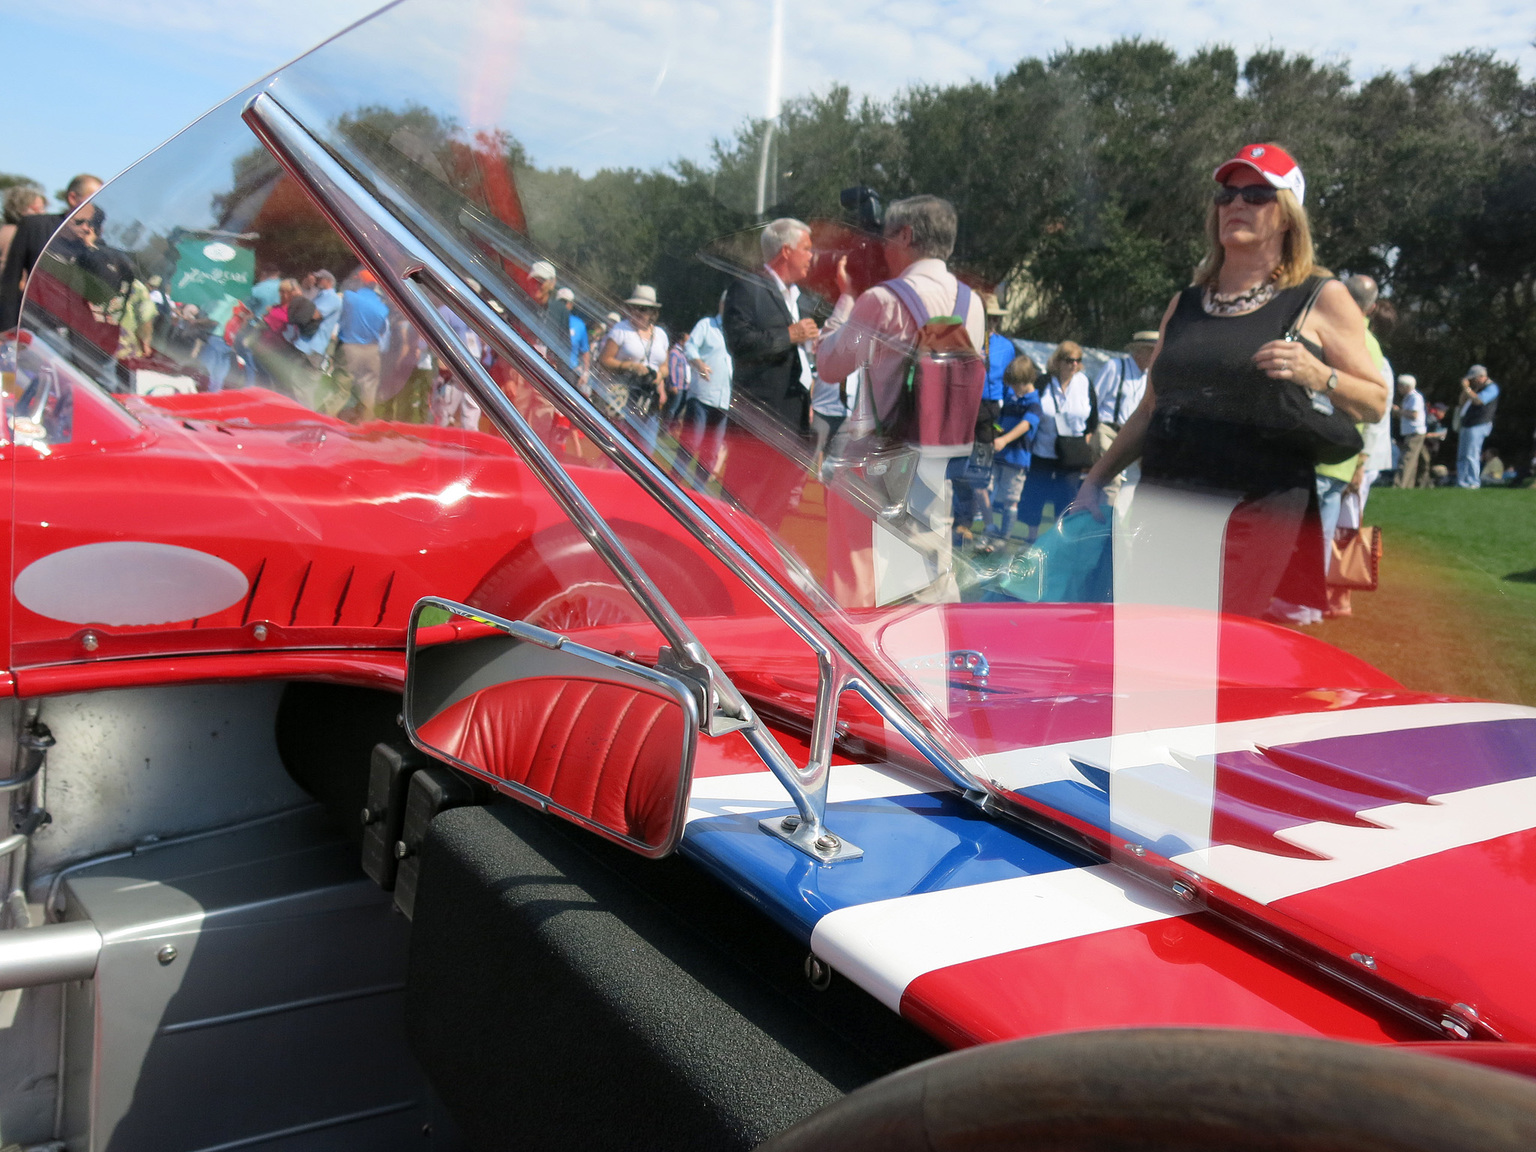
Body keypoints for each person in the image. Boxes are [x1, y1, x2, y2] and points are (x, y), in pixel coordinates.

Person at [1072, 142, 1386, 619]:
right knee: (1150, 639)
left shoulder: (1320, 296)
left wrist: (1319, 374)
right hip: (1167, 500)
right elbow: (1152, 408)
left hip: (1253, 510)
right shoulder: (1186, 303)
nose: (1236, 204)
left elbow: (1376, 402)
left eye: (1256, 194)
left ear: (1286, 216)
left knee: (1214, 650)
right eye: (1226, 195)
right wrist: (1096, 479)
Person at [817, 194, 985, 602]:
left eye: (888, 237)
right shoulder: (972, 304)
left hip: (872, 458)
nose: (883, 248)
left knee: (857, 583)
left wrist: (849, 296)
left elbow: (830, 365)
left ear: (907, 235)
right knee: (926, 583)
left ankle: (855, 660)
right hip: (933, 459)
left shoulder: (883, 300)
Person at [723, 217, 819, 429]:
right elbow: (739, 343)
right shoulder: (747, 288)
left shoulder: (800, 299)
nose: (811, 257)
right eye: (806, 249)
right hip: (761, 419)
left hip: (797, 412)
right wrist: (790, 335)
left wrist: (813, 345)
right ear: (786, 251)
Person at [0, 173, 102, 330]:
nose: (96, 204)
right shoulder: (35, 226)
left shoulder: (95, 243)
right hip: (22, 321)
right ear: (73, 198)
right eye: (92, 197)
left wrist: (91, 248)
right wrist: (6, 328)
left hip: (59, 331)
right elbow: (11, 279)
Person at [1016, 341, 1094, 544]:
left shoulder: (1084, 383)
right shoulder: (1044, 382)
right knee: (1036, 493)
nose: (1074, 365)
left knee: (1067, 496)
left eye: (1078, 360)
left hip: (1071, 451)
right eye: (1069, 360)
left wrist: (1084, 441)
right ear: (1058, 361)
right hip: (1043, 448)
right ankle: (1031, 537)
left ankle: (1059, 539)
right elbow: (1031, 407)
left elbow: (1092, 419)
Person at [1089, 330, 1155, 506]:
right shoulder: (1115, 367)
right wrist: (1091, 430)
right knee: (1112, 482)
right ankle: (1107, 527)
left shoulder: (1148, 377)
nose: (1156, 356)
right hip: (1107, 430)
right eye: (1153, 351)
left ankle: (1110, 522)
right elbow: (1094, 400)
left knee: (1130, 485)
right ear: (1140, 351)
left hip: (1130, 436)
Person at [599, 285, 669, 445]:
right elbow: (604, 360)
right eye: (633, 307)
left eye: (643, 309)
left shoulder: (661, 335)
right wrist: (630, 366)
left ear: (652, 312)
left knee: (646, 451)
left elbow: (665, 367)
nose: (637, 312)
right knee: (619, 449)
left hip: (649, 400)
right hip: (624, 396)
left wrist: (659, 376)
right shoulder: (620, 330)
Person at [987, 356, 1042, 541]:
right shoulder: (1011, 397)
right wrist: (996, 429)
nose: (1012, 388)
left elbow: (1026, 425)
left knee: (1011, 498)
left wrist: (1004, 439)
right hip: (999, 455)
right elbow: (1001, 420)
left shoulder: (1034, 403)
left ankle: (1004, 537)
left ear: (1026, 380)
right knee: (988, 489)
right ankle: (990, 529)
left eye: (1015, 384)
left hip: (1018, 458)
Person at [681, 294, 733, 480]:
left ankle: (698, 494)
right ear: (721, 304)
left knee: (711, 453)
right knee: (690, 444)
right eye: (728, 303)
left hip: (723, 402)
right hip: (702, 396)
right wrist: (699, 364)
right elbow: (690, 347)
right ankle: (671, 485)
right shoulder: (707, 325)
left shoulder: (737, 332)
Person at [331, 269, 391, 420]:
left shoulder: (350, 298)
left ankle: (325, 419)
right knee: (369, 391)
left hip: (349, 348)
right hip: (372, 351)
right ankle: (364, 426)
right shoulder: (382, 308)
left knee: (341, 388)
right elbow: (383, 331)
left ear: (361, 281)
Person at [1455, 364, 1499, 488]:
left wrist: (1467, 389)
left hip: (1479, 424)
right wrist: (1466, 390)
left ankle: (1473, 481)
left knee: (1472, 454)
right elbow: (1461, 401)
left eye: (1473, 378)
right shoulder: (1476, 389)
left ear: (1481, 377)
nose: (1472, 381)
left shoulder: (1492, 388)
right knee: (1462, 455)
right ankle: (1462, 481)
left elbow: (1479, 401)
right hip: (1467, 424)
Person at [293, 269, 342, 370]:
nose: (317, 280)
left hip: (313, 346)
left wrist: (299, 299)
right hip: (306, 342)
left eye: (320, 279)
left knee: (300, 379)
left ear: (328, 281)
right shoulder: (321, 295)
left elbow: (314, 315)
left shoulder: (332, 298)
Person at [0, 184, 47, 279]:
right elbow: (8, 267)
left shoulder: (6, 229)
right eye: (37, 209)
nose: (43, 213)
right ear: (21, 208)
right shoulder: (15, 233)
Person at [1393, 375, 1427, 488]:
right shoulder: (1408, 398)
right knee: (1422, 460)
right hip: (1411, 432)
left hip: (1415, 432)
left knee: (1407, 458)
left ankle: (1399, 485)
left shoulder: (1415, 397)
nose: (1398, 388)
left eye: (1400, 385)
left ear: (1407, 386)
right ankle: (1416, 484)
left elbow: (1414, 414)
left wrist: (1399, 411)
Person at [554, 287, 590, 391]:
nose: (564, 305)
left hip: (570, 371)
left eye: (566, 302)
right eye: (561, 302)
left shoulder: (579, 324)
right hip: (550, 365)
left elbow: (585, 350)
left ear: (571, 304)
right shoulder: (551, 317)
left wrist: (585, 373)